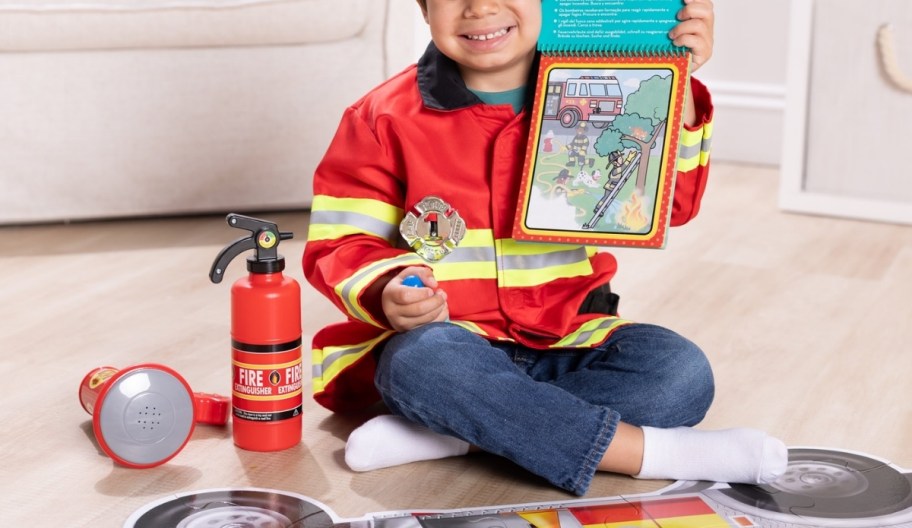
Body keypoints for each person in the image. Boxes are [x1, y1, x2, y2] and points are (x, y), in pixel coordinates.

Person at [303, 0, 787, 496]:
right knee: (419, 365)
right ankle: (653, 454)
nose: (481, 7)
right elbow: (342, 242)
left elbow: (673, 207)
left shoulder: (609, 89)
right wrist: (389, 288)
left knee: (679, 372)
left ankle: (455, 433)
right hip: (447, 344)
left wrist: (677, 85)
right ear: (424, 6)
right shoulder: (379, 118)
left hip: (567, 337)